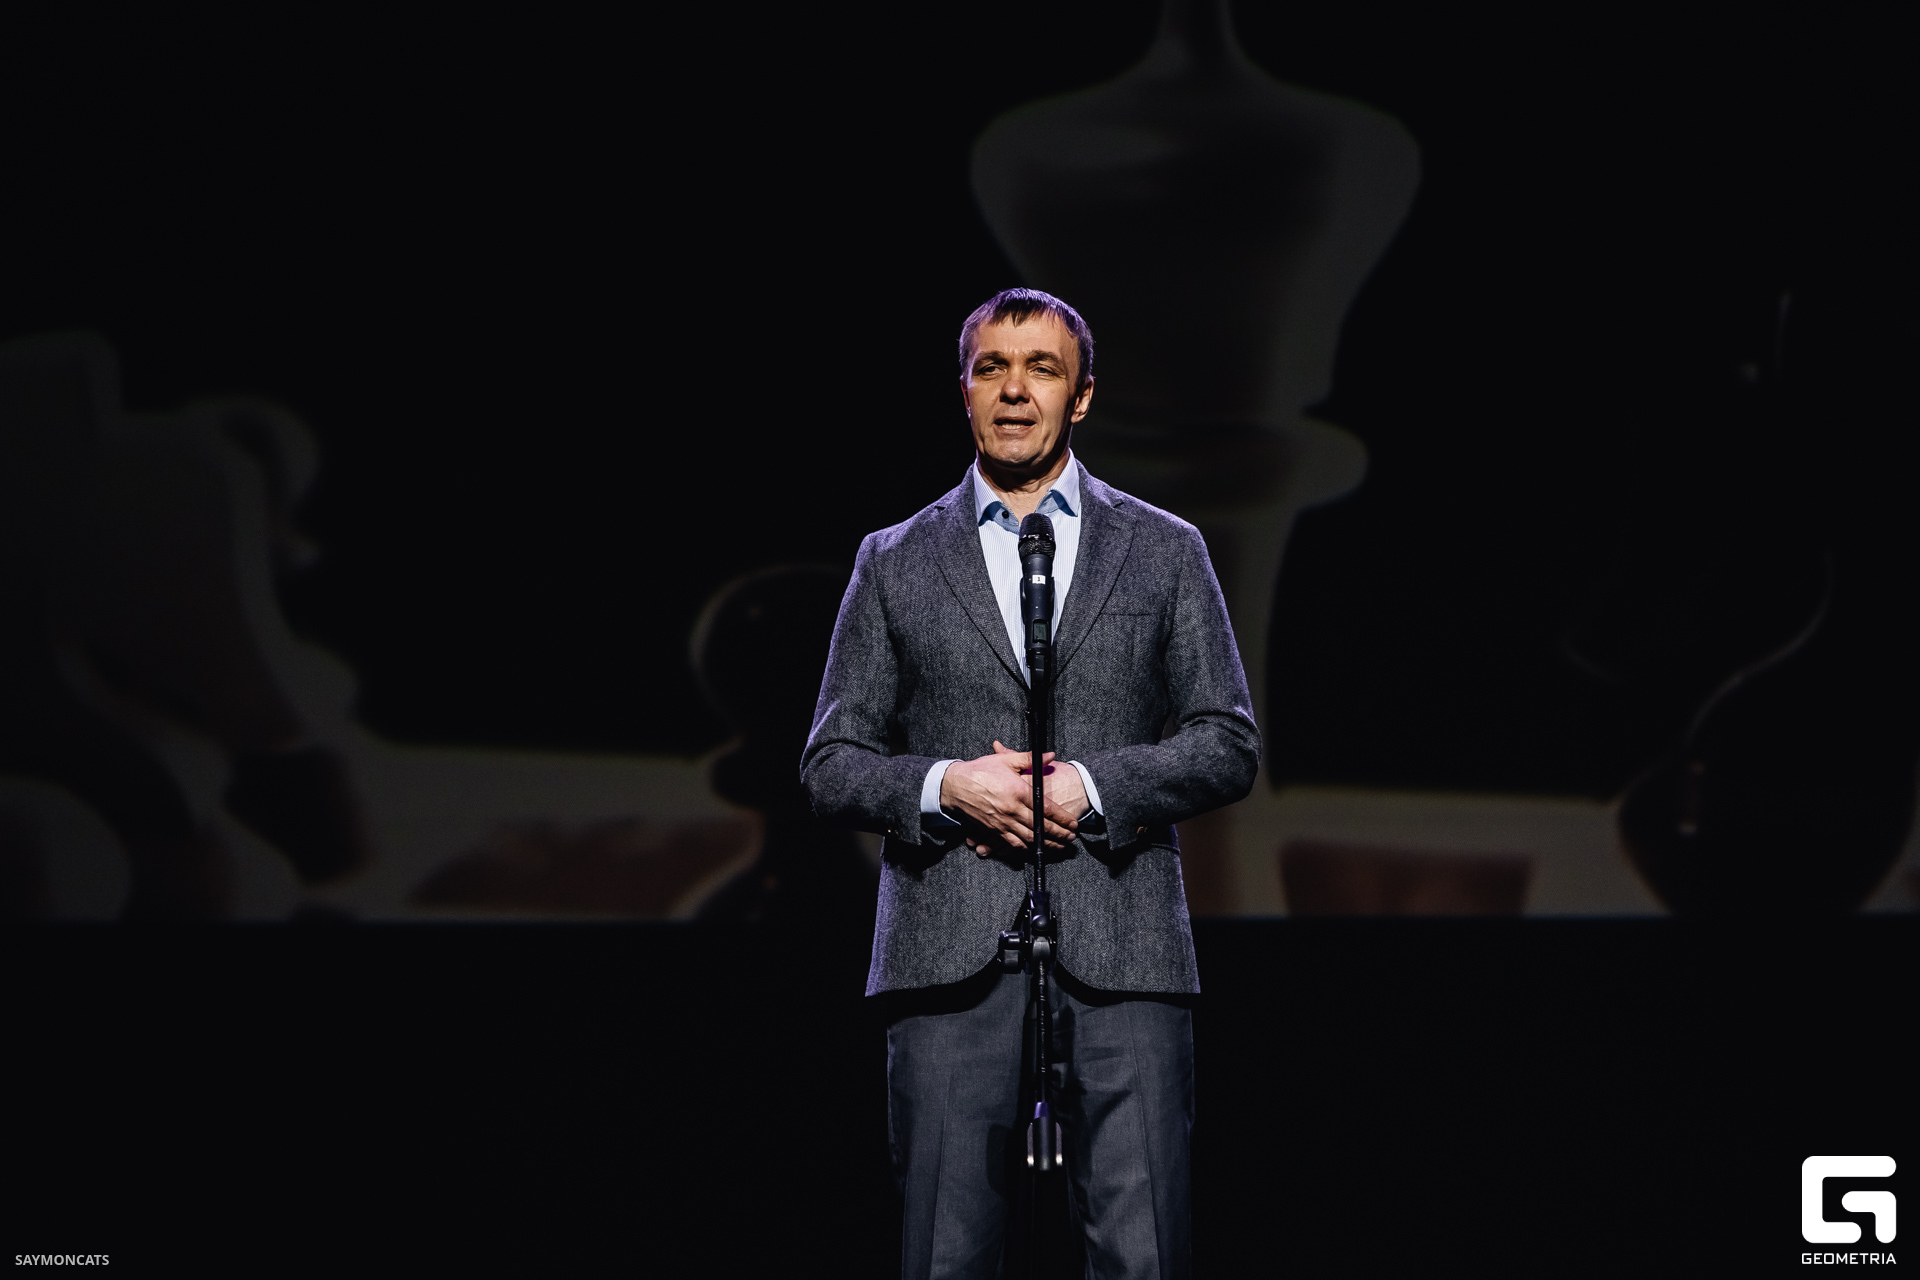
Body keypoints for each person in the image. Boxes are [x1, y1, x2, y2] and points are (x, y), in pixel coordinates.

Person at [802, 288, 1259, 1277]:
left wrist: (1092, 786)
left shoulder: (1165, 548)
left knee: (1145, 1257)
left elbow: (1227, 741)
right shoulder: (893, 559)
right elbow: (830, 763)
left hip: (1125, 944)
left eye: (1041, 368)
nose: (1015, 390)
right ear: (964, 391)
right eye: (992, 368)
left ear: (1081, 396)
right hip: (945, 950)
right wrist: (948, 786)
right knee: (943, 1256)